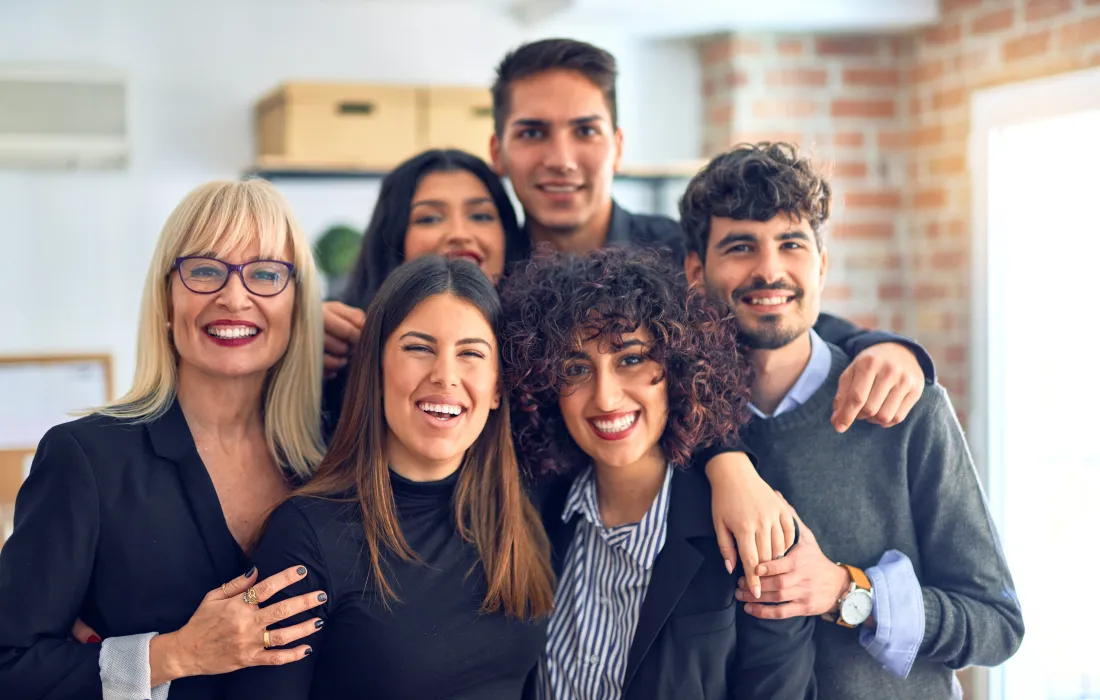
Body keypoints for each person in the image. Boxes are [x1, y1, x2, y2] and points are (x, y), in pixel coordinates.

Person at [320, 40, 936, 583]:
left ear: (615, 145)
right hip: (512, 547)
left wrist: (887, 348)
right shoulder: (484, 278)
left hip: (668, 561)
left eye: (584, 131)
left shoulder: (675, 256)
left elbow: (773, 313)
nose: (561, 157)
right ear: (500, 150)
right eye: (533, 132)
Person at [679, 142, 1024, 698]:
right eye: (741, 247)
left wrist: (847, 592)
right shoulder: (678, 425)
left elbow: (997, 626)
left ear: (821, 264)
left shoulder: (909, 408)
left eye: (791, 244)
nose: (769, 270)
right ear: (697, 271)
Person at [0, 179, 329, 699]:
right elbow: (10, 665)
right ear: (166, 300)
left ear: (298, 306)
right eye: (204, 271)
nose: (234, 296)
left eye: (266, 274)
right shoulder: (86, 459)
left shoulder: (333, 461)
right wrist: (171, 655)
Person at [225, 255, 555, 699]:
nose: (445, 376)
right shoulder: (307, 536)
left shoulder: (521, 514)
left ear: (497, 387)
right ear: (376, 371)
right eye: (419, 348)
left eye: (471, 353)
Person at [501, 247, 817, 700]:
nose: (606, 398)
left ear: (677, 368)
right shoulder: (533, 514)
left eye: (630, 359)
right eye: (576, 369)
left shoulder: (755, 529)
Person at [322, 148, 526, 431]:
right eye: (429, 218)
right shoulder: (338, 346)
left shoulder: (539, 353)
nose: (459, 233)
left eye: (480, 216)